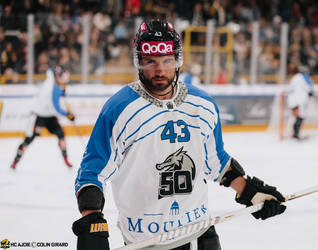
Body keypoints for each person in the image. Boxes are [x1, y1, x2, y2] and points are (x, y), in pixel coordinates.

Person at [72, 19, 286, 250]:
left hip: (200, 231)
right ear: (139, 62)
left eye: (167, 60)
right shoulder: (119, 109)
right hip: (146, 240)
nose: (160, 70)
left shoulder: (202, 104)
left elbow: (215, 160)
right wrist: (91, 219)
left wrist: (249, 191)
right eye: (150, 61)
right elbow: (92, 172)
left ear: (177, 60)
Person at [10, 66, 75, 169]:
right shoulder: (55, 88)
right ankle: (15, 162)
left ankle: (15, 162)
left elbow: (50, 70)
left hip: (49, 116)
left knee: (60, 134)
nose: (64, 84)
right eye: (64, 81)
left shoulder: (50, 78)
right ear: (59, 77)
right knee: (29, 139)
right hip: (38, 116)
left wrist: (57, 70)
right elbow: (57, 108)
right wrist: (68, 115)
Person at [287, 65, 314, 139]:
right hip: (300, 99)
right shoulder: (303, 76)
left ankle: (295, 134)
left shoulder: (294, 78)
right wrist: (310, 92)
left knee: (297, 117)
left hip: (291, 99)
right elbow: (309, 86)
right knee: (301, 116)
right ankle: (296, 135)